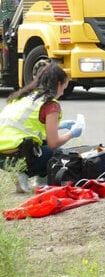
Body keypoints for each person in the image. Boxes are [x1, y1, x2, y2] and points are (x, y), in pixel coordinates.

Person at [0, 62, 81, 192]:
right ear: (59, 84)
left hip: (2, 156)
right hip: (19, 156)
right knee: (58, 154)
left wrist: (60, 126)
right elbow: (53, 143)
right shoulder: (50, 105)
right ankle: (26, 175)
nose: (62, 92)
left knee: (41, 141)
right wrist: (72, 133)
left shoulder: (24, 96)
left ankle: (31, 177)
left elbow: (27, 126)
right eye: (64, 88)